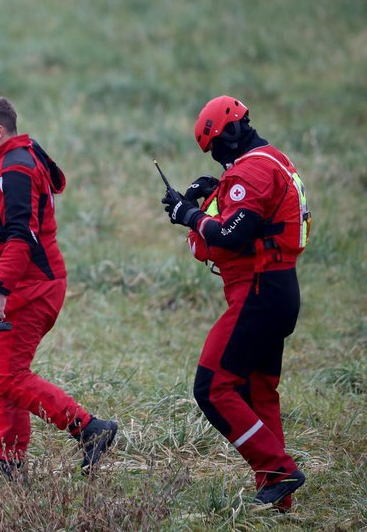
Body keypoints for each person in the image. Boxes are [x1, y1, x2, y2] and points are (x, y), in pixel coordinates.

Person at [161, 95, 310, 509]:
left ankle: (279, 470)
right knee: (260, 392)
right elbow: (240, 223)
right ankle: (278, 496)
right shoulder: (271, 160)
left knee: (212, 387)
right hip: (277, 291)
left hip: (260, 293)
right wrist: (210, 196)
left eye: (217, 147)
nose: (218, 156)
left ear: (232, 129)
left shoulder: (255, 169)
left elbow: (231, 236)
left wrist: (188, 214)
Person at [0, 96, 118, 478]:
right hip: (19, 284)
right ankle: (10, 463)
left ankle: (90, 429)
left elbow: (20, 237)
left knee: (9, 375)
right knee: (0, 374)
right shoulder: (7, 163)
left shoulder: (15, 169)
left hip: (31, 287)